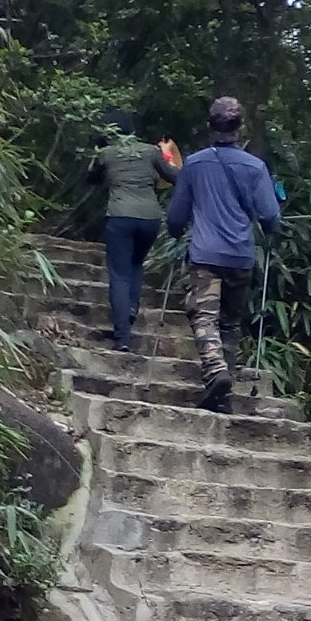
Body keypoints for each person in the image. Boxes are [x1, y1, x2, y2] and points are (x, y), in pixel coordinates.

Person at [166, 96, 281, 413]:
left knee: (203, 315)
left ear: (209, 128)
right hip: (241, 256)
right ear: (240, 129)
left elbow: (176, 217)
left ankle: (216, 371)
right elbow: (271, 218)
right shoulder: (256, 167)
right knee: (230, 323)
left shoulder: (195, 164)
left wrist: (175, 231)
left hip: (205, 254)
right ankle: (222, 396)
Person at [88, 111, 181, 350]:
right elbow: (175, 176)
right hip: (150, 218)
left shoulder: (107, 154)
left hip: (119, 217)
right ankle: (131, 307)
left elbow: (91, 178)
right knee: (137, 263)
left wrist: (98, 150)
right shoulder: (151, 151)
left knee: (119, 274)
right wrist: (169, 155)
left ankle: (123, 338)